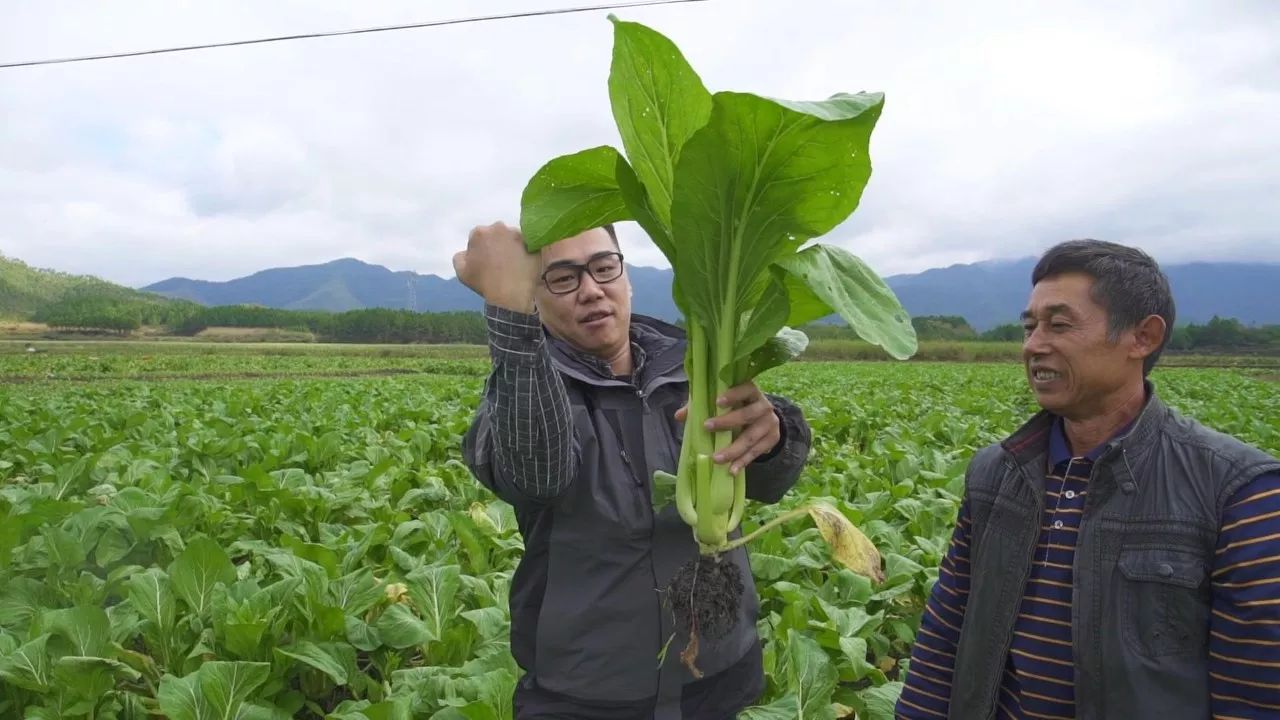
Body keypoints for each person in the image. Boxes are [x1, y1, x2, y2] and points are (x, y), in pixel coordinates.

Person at [895, 239, 1280, 719]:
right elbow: (944, 637)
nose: (1034, 344)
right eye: (1030, 326)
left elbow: (1254, 699)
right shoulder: (995, 473)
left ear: (1143, 337)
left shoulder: (1239, 492)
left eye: (1059, 324)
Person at [455, 221, 813, 720]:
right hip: (589, 695)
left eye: (603, 268)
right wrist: (508, 317)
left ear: (627, 278)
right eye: (562, 278)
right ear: (533, 297)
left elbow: (771, 483)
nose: (590, 289)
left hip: (721, 678)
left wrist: (773, 438)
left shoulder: (700, 367)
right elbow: (537, 473)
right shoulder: (523, 394)